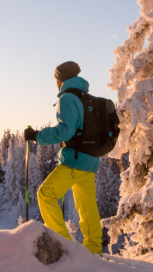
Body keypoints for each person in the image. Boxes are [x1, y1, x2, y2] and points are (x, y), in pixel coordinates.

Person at [24, 61, 103, 255]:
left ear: (60, 79)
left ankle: (65, 246)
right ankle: (94, 251)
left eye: (56, 79)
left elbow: (65, 131)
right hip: (90, 160)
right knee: (87, 207)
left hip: (74, 161)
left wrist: (37, 136)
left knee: (45, 195)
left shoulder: (68, 97)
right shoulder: (86, 97)